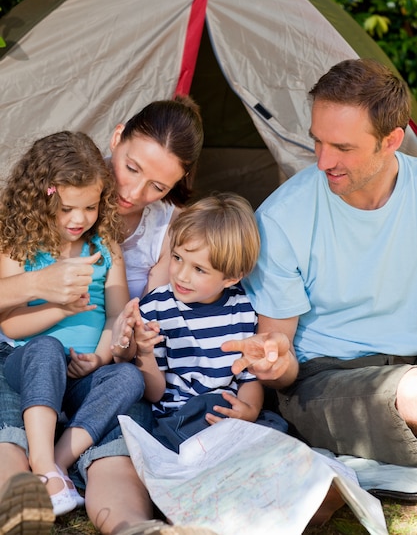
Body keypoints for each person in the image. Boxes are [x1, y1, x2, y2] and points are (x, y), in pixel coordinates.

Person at [0, 96, 217, 535]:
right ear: (116, 138)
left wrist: (117, 348)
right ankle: (21, 500)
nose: (134, 193)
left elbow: (126, 312)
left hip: (97, 369)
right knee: (10, 428)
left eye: (157, 186)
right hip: (26, 359)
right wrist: (45, 292)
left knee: (121, 422)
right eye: (132, 168)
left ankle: (132, 527)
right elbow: (13, 323)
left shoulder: (154, 233)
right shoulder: (50, 192)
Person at [224, 58, 417, 469]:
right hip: (324, 380)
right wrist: (272, 360)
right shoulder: (281, 219)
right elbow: (283, 363)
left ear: (391, 140)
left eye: (343, 147)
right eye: (318, 141)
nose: (324, 161)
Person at [0, 131, 145, 516]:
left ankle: (59, 464)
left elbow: (115, 315)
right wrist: (60, 309)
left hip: (81, 374)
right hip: (28, 366)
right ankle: (43, 463)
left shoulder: (105, 247)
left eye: (90, 207)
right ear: (40, 198)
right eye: (66, 209)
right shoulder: (20, 245)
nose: (79, 219)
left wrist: (99, 359)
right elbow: (10, 327)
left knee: (130, 379)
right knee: (46, 349)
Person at [112, 193, 287, 452]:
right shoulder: (156, 308)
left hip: (225, 414)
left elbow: (249, 379)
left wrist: (248, 411)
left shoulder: (244, 310)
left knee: (274, 427)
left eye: (199, 269)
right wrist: (145, 352)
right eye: (178, 258)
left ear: (231, 278)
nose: (181, 275)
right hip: (180, 417)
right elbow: (155, 394)